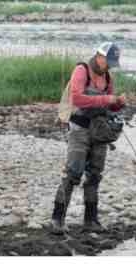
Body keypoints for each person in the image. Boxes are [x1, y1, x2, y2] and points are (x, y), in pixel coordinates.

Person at [50, 42, 126, 234]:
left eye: (112, 62)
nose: (109, 65)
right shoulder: (81, 70)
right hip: (79, 128)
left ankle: (90, 221)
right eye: (108, 61)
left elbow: (108, 107)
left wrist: (118, 103)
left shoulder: (108, 77)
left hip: (99, 131)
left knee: (94, 175)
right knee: (73, 173)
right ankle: (57, 219)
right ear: (99, 57)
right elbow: (77, 98)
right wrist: (106, 99)